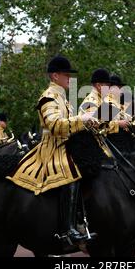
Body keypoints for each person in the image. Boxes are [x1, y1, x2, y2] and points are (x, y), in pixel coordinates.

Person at [7, 55, 97, 246]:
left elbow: (72, 122)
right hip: (52, 148)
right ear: (55, 76)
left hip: (67, 144)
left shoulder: (64, 99)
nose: (70, 79)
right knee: (70, 174)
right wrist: (83, 119)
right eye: (66, 75)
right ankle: (67, 229)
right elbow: (55, 125)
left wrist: (88, 121)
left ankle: (83, 219)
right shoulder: (48, 97)